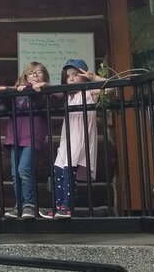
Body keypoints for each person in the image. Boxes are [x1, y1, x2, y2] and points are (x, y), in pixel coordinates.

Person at [45, 59, 108, 220]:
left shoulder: (90, 93)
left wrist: (94, 78)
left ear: (84, 76)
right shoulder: (69, 96)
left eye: (75, 75)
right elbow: (52, 92)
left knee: (68, 170)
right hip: (67, 138)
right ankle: (58, 206)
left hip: (80, 136)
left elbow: (111, 87)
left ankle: (67, 207)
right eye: (68, 76)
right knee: (58, 168)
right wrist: (44, 86)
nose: (71, 79)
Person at [0, 62, 52, 220]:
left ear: (45, 76)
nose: (35, 76)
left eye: (39, 72)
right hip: (15, 135)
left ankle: (29, 204)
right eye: (31, 73)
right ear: (25, 76)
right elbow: (7, 104)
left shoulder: (43, 91)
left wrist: (35, 90)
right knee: (15, 173)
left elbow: (42, 103)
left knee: (24, 169)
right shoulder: (19, 91)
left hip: (32, 135)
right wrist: (4, 92)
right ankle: (19, 205)